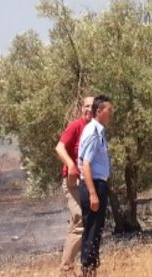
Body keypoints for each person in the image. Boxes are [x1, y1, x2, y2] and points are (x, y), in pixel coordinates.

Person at [55, 96, 94, 276]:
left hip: (89, 183)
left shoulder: (95, 130)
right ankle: (66, 268)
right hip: (73, 182)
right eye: (86, 106)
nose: (89, 109)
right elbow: (60, 148)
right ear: (81, 108)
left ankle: (84, 268)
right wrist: (70, 165)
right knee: (80, 219)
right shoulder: (76, 126)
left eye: (93, 107)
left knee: (84, 223)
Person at [77, 95, 113, 277]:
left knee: (96, 230)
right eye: (108, 110)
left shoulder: (99, 131)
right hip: (93, 185)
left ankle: (91, 270)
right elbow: (86, 164)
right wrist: (92, 193)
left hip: (99, 184)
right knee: (91, 231)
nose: (111, 114)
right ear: (99, 111)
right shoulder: (93, 131)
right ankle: (87, 270)